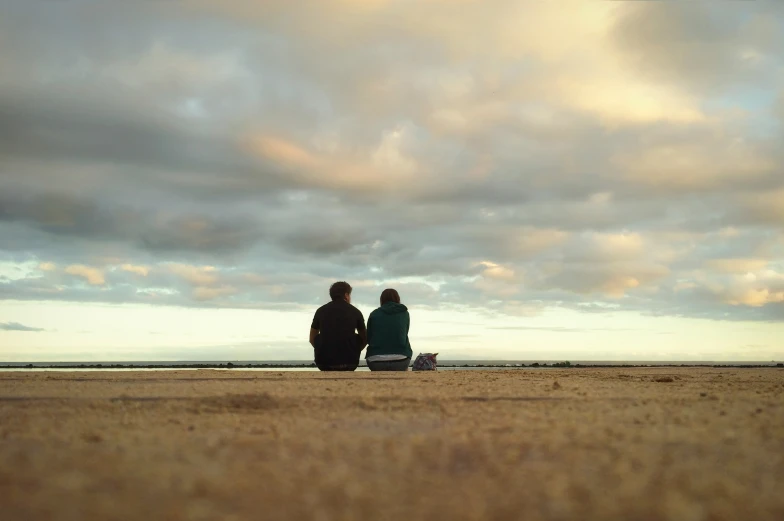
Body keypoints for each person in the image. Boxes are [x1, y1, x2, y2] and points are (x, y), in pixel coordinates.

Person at [309, 281, 367, 371]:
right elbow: (364, 338)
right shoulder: (355, 312)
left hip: (324, 364)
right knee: (356, 337)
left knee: (319, 337)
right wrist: (355, 350)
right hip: (350, 363)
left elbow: (312, 338)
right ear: (346, 295)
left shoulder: (320, 311)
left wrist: (323, 347)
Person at [365, 288, 412, 371]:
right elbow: (404, 333)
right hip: (401, 360)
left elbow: (368, 338)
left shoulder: (374, 314)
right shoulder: (404, 313)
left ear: (382, 299)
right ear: (398, 298)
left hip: (375, 362)